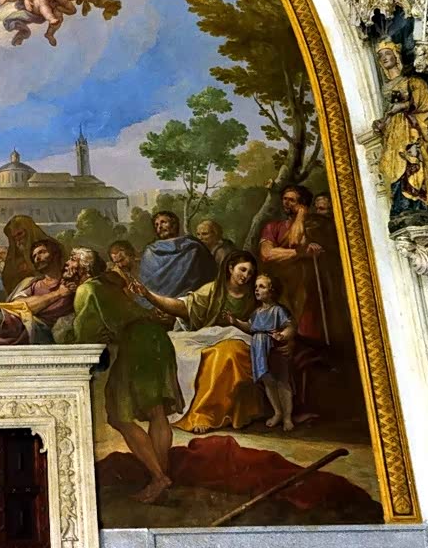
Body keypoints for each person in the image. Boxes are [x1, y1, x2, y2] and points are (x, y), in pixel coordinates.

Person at [71, 247, 182, 504]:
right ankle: (161, 480)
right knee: (156, 412)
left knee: (118, 414)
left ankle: (158, 478)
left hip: (136, 343)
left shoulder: (87, 289)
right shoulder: (108, 284)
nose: (67, 264)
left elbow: (84, 333)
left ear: (84, 267)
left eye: (72, 260)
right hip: (156, 338)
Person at [133, 250, 264, 435]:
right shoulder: (213, 290)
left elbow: (267, 318)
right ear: (230, 268)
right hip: (209, 336)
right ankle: (164, 406)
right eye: (242, 270)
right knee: (172, 346)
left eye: (250, 272)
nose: (246, 276)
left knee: (226, 354)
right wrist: (148, 295)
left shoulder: (255, 294)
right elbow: (183, 307)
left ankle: (206, 413)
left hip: (240, 339)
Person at [373, 38, 428, 218]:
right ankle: (400, 204)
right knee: (391, 165)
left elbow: (425, 104)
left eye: (387, 54)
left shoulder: (413, 82)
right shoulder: (385, 88)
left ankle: (416, 203)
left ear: (396, 56)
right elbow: (388, 113)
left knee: (411, 160)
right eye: (380, 56)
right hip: (393, 133)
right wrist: (381, 124)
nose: (384, 58)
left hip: (411, 128)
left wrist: (403, 106)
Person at [228, 275, 297, 431]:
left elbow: (290, 326)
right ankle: (277, 412)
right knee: (268, 382)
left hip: (274, 349)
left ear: (271, 291)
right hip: (259, 351)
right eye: (256, 287)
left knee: (281, 382)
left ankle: (287, 417)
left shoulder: (278, 310)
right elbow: (249, 327)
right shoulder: (257, 312)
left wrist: (282, 335)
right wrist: (235, 322)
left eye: (261, 287)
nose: (257, 290)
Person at [259, 185, 326, 344]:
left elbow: (295, 240)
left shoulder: (313, 226)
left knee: (306, 333)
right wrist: (300, 254)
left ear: (303, 205)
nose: (286, 203)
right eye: (285, 199)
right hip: (281, 286)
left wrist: (301, 214)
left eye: (292, 200)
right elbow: (267, 254)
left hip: (306, 287)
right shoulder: (272, 227)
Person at [138, 210, 216, 303]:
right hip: (156, 304)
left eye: (163, 222)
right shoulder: (150, 251)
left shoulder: (193, 247)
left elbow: (209, 277)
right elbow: (146, 283)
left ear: (174, 224)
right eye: (156, 225)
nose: (159, 227)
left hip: (190, 303)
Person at [2, 214, 54, 294]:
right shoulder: (13, 255)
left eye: (20, 234)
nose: (18, 239)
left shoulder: (51, 248)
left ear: (29, 231)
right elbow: (7, 281)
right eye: (14, 237)